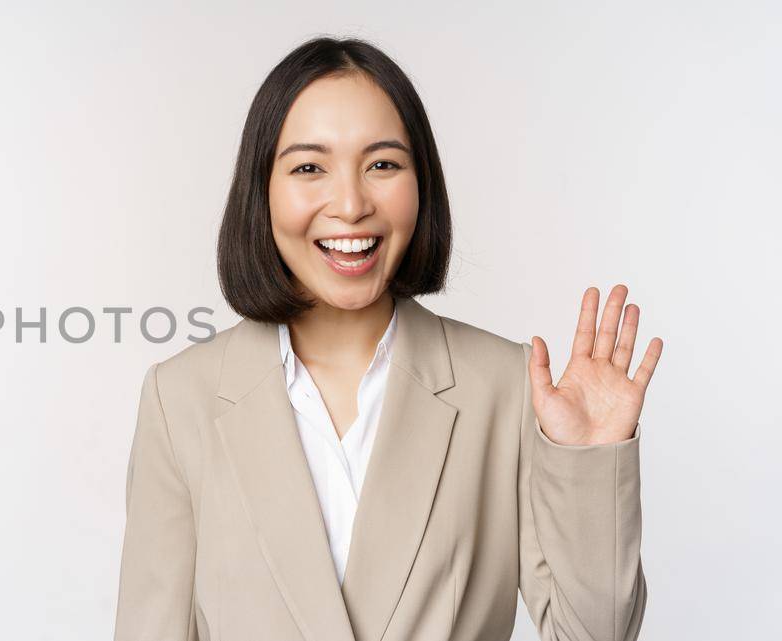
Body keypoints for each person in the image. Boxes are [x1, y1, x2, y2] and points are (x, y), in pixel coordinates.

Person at [112, 37, 663, 641]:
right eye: (308, 168)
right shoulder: (180, 398)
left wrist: (586, 463)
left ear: (421, 183)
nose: (350, 205)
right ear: (261, 190)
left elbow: (595, 635)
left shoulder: (503, 386)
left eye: (382, 164)